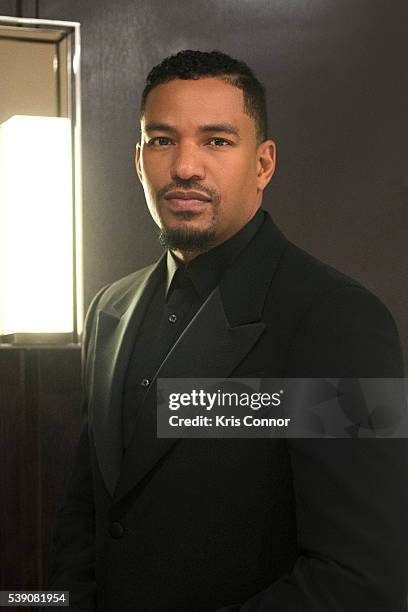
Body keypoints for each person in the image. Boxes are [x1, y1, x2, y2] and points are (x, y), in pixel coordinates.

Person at [49, 50, 408, 611]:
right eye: (162, 140)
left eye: (217, 140)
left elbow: (361, 581)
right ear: (139, 160)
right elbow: (86, 519)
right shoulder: (108, 310)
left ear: (263, 164)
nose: (186, 166)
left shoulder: (338, 320)